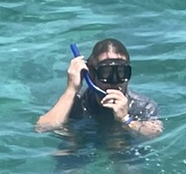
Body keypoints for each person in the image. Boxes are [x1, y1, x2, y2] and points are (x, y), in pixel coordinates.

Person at [35, 38, 164, 139]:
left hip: (122, 142)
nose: (114, 81)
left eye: (121, 72)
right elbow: (43, 128)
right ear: (90, 73)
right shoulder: (76, 102)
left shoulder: (141, 105)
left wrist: (126, 119)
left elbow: (154, 134)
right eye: (106, 72)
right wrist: (71, 90)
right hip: (82, 140)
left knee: (127, 164)